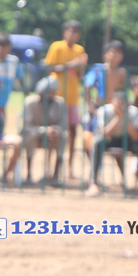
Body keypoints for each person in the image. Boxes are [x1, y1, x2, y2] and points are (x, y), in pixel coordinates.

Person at [43, 20, 87, 179]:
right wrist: (72, 64)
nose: (74, 35)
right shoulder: (56, 47)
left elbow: (79, 75)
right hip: (57, 96)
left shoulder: (80, 50)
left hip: (73, 97)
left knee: (73, 132)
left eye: (77, 32)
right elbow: (50, 67)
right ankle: (48, 168)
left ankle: (69, 168)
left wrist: (81, 66)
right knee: (53, 131)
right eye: (72, 31)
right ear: (65, 32)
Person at [85, 89, 138, 197]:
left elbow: (135, 136)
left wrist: (124, 118)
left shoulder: (134, 111)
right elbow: (104, 134)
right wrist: (118, 118)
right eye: (118, 103)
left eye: (123, 103)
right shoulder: (104, 110)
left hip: (127, 138)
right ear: (112, 102)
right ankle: (93, 183)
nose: (121, 106)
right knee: (97, 143)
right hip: (110, 139)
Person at [22, 76, 66, 185]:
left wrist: (56, 130)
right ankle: (28, 176)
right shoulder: (30, 103)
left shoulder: (60, 103)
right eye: (48, 92)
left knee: (63, 136)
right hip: (34, 133)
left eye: (53, 92)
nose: (51, 95)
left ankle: (55, 177)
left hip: (52, 136)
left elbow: (63, 125)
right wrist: (43, 130)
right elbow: (26, 127)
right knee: (29, 137)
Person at [0, 32, 23, 111]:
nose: (3, 49)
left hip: (4, 102)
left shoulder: (14, 61)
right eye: (1, 46)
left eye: (6, 46)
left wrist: (26, 93)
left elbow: (21, 79)